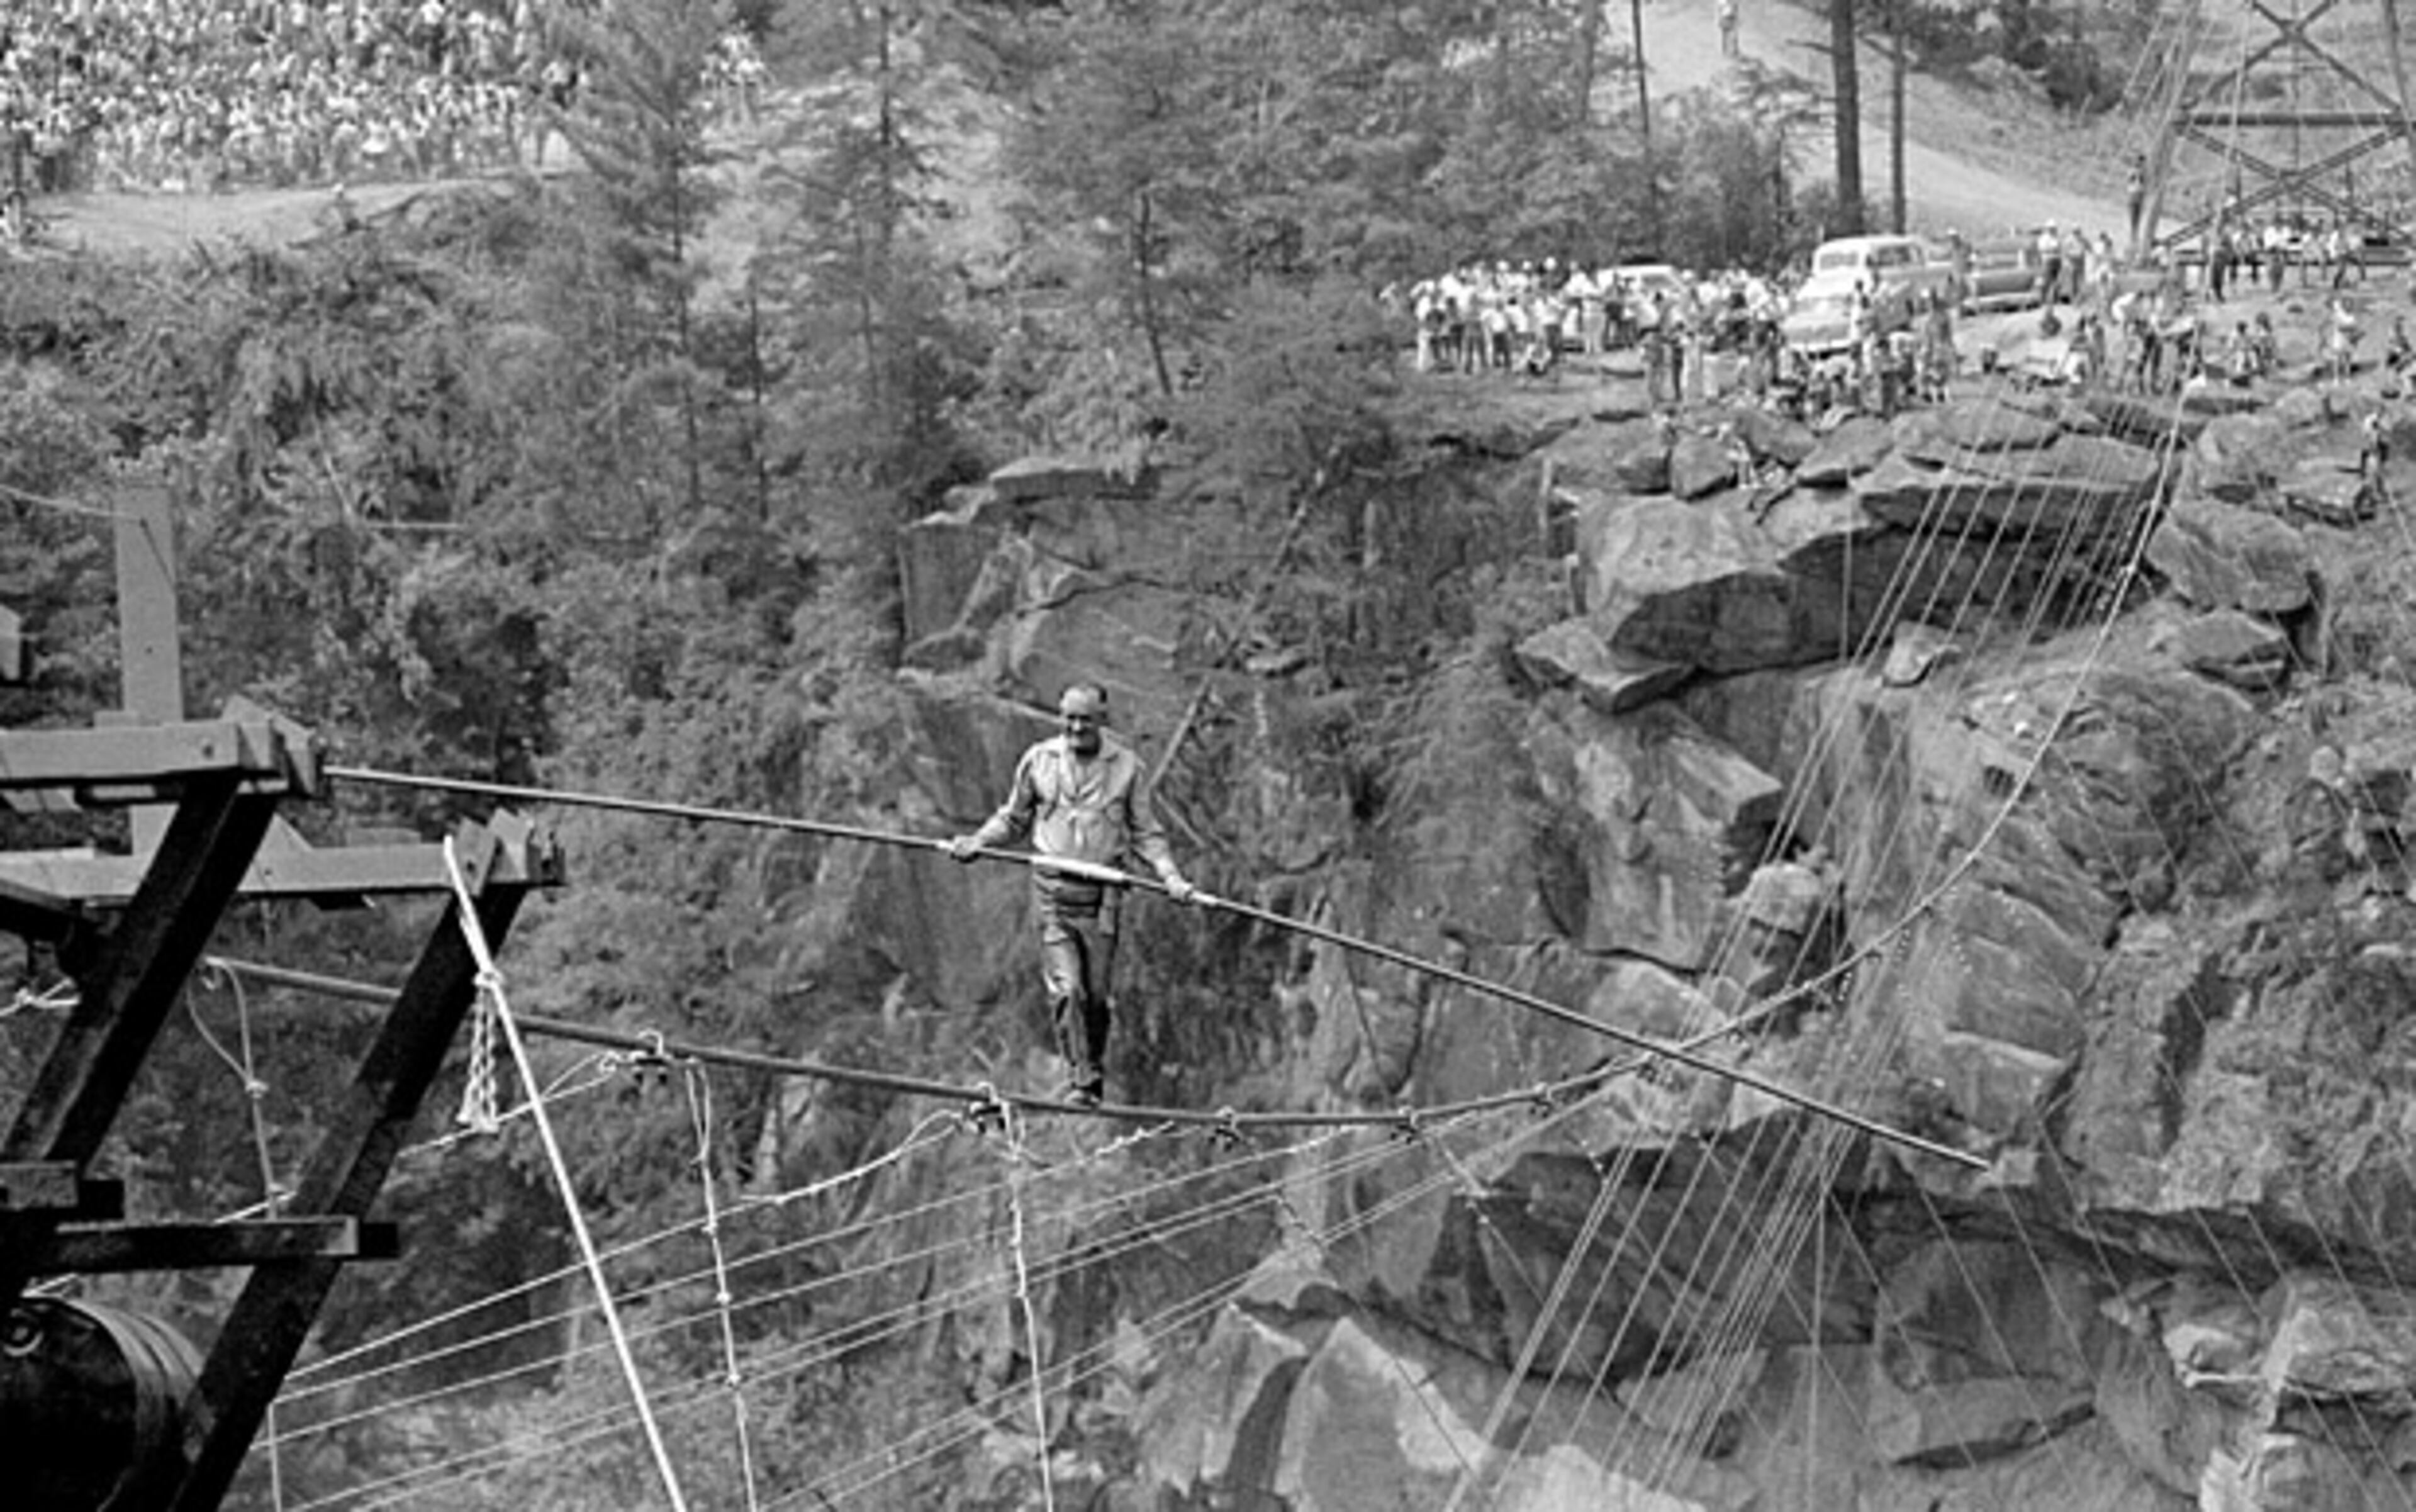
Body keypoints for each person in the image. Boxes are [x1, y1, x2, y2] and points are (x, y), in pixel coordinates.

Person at [949, 684, 1199, 1107]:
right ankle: (1081, 1080)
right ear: (1060, 717)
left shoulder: (1127, 768)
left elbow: (1146, 833)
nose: (1076, 726)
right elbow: (1013, 818)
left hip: (1102, 898)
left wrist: (1171, 877)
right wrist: (977, 841)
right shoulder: (1039, 761)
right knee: (1068, 990)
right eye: (1069, 717)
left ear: (1102, 719)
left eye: (1085, 718)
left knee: (1097, 998)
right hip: (1051, 891)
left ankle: (1093, 1071)